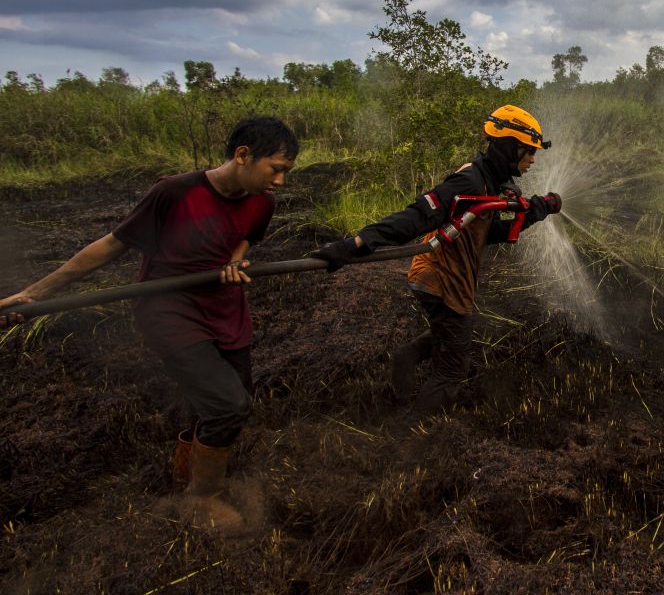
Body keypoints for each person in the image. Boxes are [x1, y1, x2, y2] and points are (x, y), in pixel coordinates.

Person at [0, 116, 299, 531]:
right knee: (229, 404)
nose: (280, 181)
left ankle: (185, 476)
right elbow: (110, 245)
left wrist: (235, 259)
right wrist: (37, 293)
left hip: (225, 308)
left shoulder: (262, 201)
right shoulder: (175, 192)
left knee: (228, 398)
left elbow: (248, 234)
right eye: (277, 169)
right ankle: (201, 498)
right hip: (169, 310)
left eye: (286, 172)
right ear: (243, 155)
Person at [313, 105, 562, 416]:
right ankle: (407, 439)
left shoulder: (492, 183)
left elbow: (488, 231)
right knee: (452, 370)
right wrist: (356, 245)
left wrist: (534, 214)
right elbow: (419, 215)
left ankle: (403, 368)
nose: (532, 160)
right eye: (528, 151)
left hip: (444, 278)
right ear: (509, 147)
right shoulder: (470, 180)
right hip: (442, 279)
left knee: (449, 334)